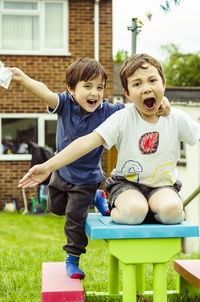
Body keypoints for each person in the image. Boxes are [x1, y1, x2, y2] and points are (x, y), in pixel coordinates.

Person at [11, 57, 170, 279]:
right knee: (56, 208)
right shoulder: (65, 104)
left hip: (86, 179)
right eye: (87, 86)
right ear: (71, 89)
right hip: (62, 172)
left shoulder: (109, 111)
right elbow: (44, 91)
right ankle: (97, 197)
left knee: (74, 218)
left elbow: (139, 105)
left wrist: (163, 102)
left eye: (100, 87)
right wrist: (22, 78)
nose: (94, 93)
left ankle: (73, 259)